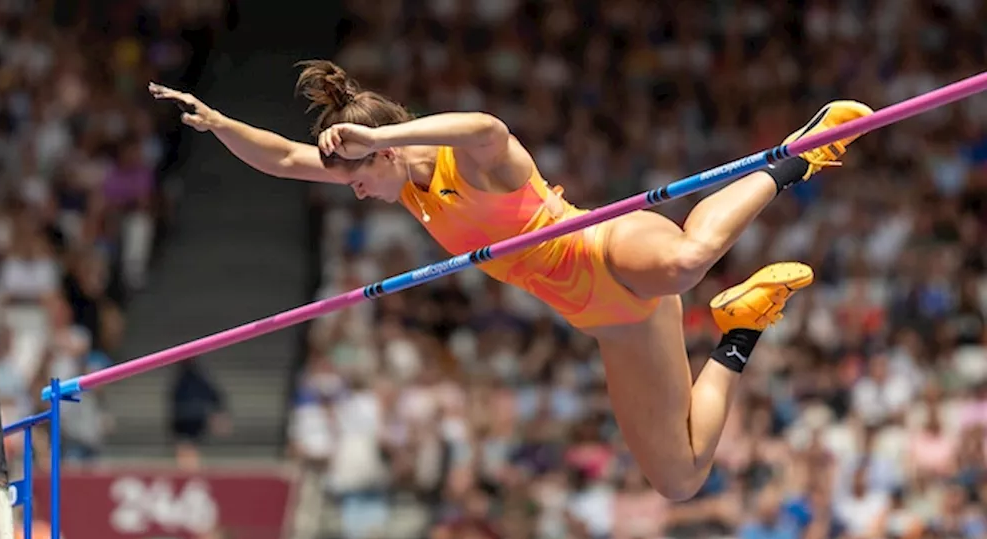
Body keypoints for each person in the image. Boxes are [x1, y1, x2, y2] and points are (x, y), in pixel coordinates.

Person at [149, 60, 875, 500]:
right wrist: (220, 123)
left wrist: (384, 136)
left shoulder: (471, 162)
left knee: (684, 263)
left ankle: (799, 155)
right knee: (679, 477)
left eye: (361, 174)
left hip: (606, 248)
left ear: (385, 152)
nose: (355, 191)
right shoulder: (401, 188)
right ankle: (741, 328)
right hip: (606, 321)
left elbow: (487, 125)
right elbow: (282, 158)